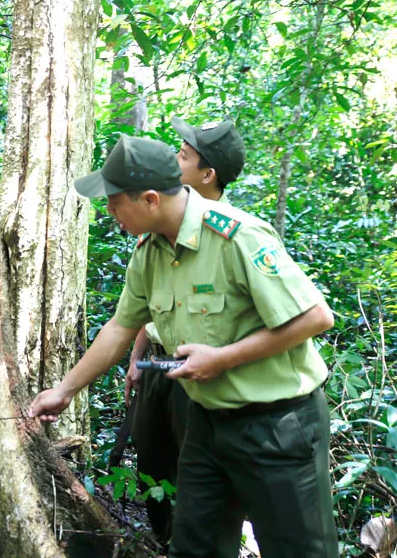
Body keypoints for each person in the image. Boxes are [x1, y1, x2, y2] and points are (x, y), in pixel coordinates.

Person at [30, 134, 338, 557]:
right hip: (207, 424)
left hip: (278, 426)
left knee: (299, 551)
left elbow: (316, 317)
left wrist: (223, 358)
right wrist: (64, 390)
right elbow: (121, 327)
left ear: (151, 199)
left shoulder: (238, 237)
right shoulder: (149, 251)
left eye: (115, 202)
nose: (110, 212)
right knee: (195, 547)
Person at [124, 117, 245, 547]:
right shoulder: (159, 229)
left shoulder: (232, 233)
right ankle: (162, 539)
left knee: (194, 465)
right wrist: (137, 361)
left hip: (198, 372)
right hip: (157, 362)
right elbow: (146, 304)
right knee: (150, 456)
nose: (176, 158)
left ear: (207, 174)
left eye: (184, 155)